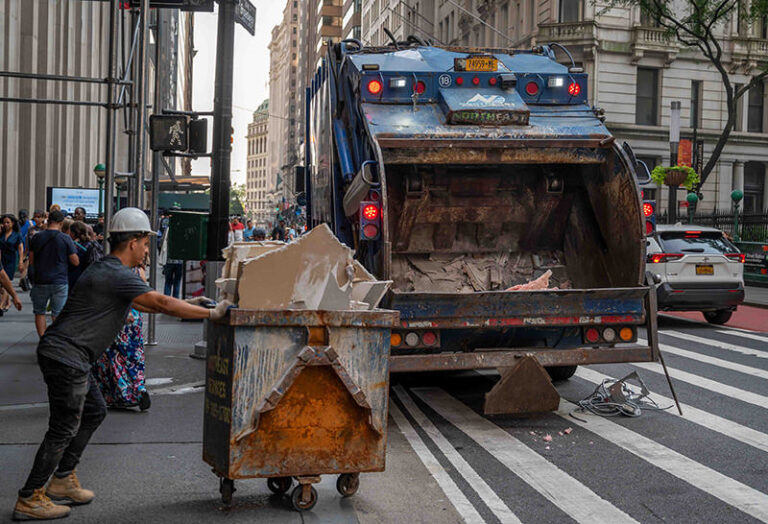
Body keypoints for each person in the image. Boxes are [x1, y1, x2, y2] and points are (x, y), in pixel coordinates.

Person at [12, 207, 232, 521]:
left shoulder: (112, 272)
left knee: (95, 410)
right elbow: (160, 301)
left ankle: (62, 479)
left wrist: (194, 304)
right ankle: (30, 496)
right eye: (145, 244)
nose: (147, 250)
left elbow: (146, 301)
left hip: (69, 355)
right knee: (63, 428)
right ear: (133, 243)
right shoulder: (114, 273)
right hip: (67, 356)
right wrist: (212, 314)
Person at [92, 263, 150, 409]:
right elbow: (144, 296)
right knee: (133, 357)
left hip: (116, 316)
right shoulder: (139, 271)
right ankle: (138, 390)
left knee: (111, 357)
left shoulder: (110, 269)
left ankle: (114, 394)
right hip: (132, 317)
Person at [28, 210, 79, 337]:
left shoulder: (37, 237)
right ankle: (56, 342)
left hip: (40, 280)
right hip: (59, 280)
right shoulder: (65, 238)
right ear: (61, 223)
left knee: (39, 312)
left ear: (48, 220)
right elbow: (75, 261)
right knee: (57, 313)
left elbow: (31, 260)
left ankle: (43, 340)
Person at [1, 214, 25, 314]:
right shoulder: (1, 234)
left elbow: (20, 248)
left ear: (13, 223)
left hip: (11, 260)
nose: (5, 224)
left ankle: (1, 305)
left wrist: (21, 261)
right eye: (4, 222)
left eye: (8, 222)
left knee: (5, 283)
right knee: (1, 284)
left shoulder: (16, 235)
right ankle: (7, 301)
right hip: (2, 259)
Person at [66, 222, 95, 293]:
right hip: (86, 278)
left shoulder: (72, 246)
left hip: (73, 278)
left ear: (73, 233)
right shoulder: (90, 244)